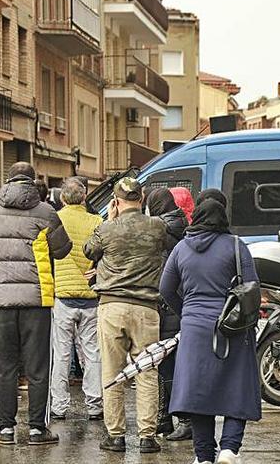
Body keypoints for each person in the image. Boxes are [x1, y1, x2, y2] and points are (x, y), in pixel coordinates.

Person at [0, 162, 72, 446]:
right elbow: (63, 249)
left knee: (4, 367)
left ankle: (5, 429)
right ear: (32, 181)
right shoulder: (46, 212)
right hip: (37, 301)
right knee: (38, 367)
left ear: (8, 180)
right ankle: (38, 429)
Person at [158, 197, 261, 464]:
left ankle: (204, 456)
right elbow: (251, 286)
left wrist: (187, 312)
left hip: (193, 328)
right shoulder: (236, 246)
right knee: (237, 385)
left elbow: (165, 289)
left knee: (198, 393)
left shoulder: (181, 248)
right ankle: (229, 449)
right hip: (232, 326)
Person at [84, 177, 166, 454]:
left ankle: (116, 435)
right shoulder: (157, 227)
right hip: (146, 309)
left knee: (112, 371)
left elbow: (88, 250)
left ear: (116, 201)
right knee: (147, 371)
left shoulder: (107, 228)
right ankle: (147, 436)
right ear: (142, 198)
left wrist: (110, 217)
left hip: (112, 306)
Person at [49, 178, 103, 421]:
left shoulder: (55, 219)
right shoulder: (97, 221)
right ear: (84, 198)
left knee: (61, 353)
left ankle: (59, 406)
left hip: (63, 295)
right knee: (92, 352)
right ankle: (95, 404)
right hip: (91, 297)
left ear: (62, 198)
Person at [145, 188, 191, 441]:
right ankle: (167, 419)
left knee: (166, 364)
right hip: (182, 302)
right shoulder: (183, 226)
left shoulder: (157, 229)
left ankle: (176, 420)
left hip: (165, 303)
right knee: (176, 363)